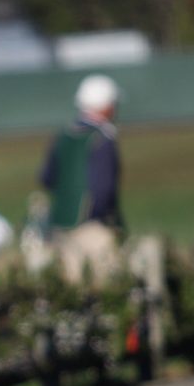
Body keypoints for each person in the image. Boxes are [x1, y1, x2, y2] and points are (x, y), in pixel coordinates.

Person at [38, 74, 123, 286]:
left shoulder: (62, 135)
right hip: (93, 227)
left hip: (60, 225)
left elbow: (47, 178)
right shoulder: (103, 138)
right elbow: (104, 189)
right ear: (106, 105)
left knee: (70, 289)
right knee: (109, 287)